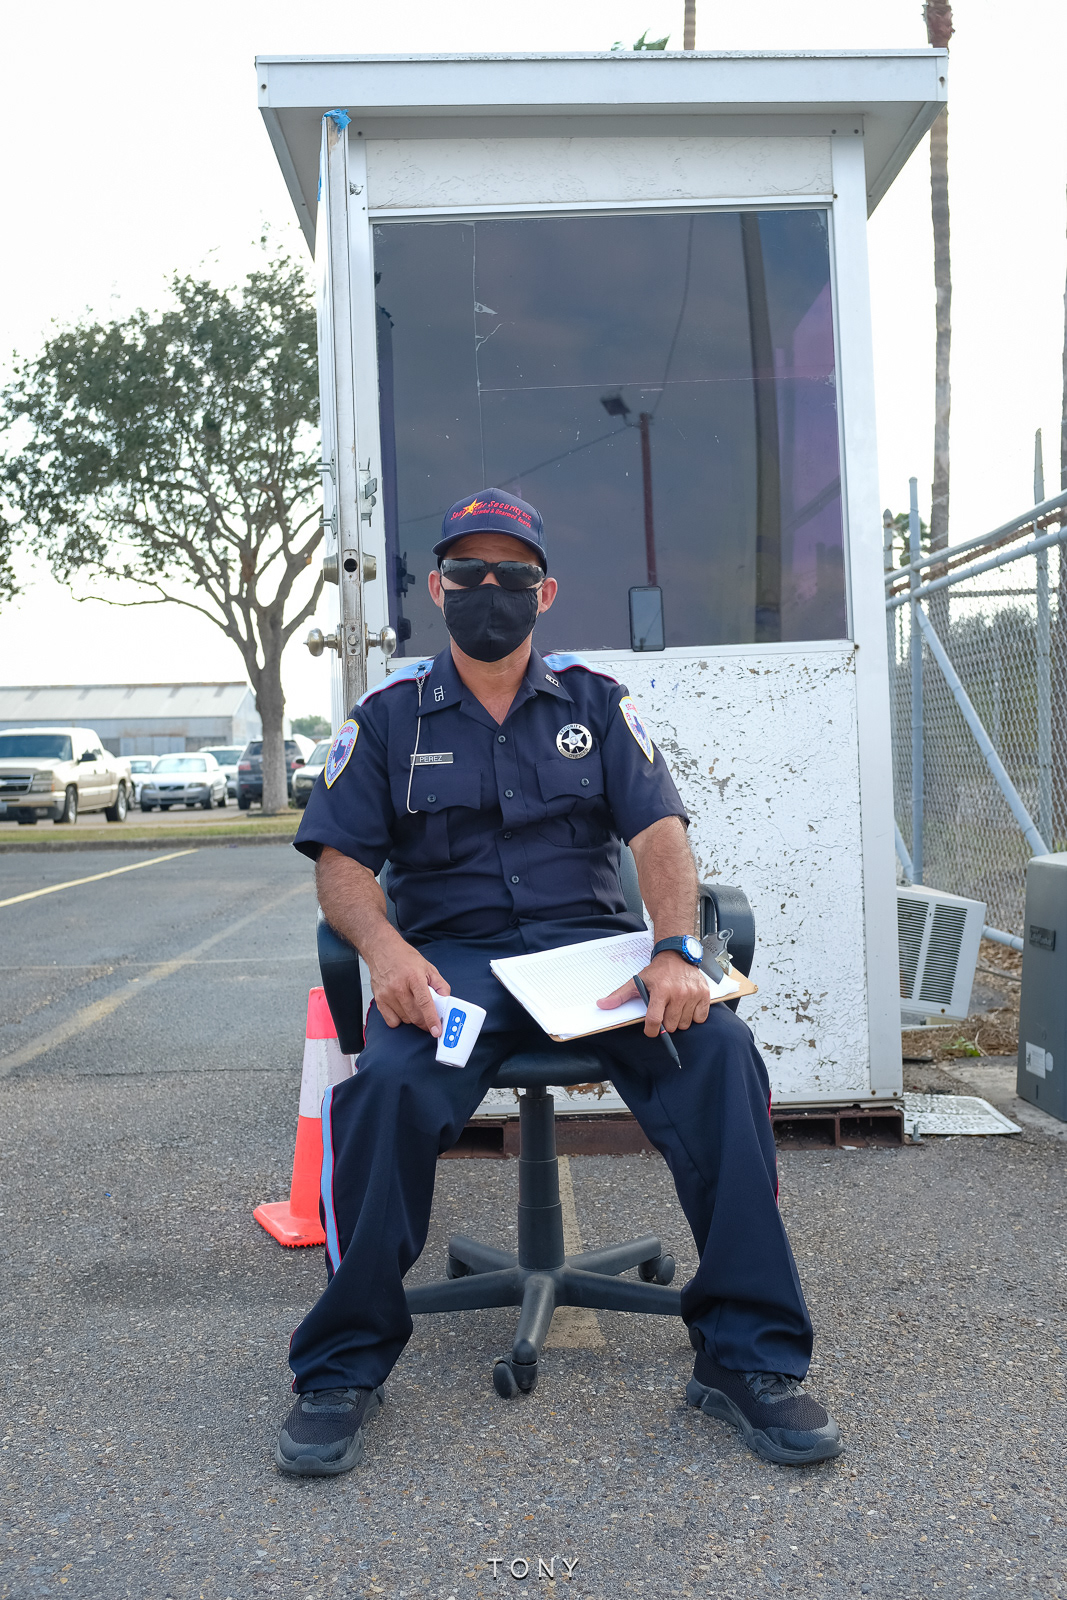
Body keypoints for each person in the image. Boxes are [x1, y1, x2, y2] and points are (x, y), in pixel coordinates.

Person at [276, 487, 842, 1477]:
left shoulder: (594, 703)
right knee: (388, 1089)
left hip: (594, 956)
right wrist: (385, 952)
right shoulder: (388, 717)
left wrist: (673, 948)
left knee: (719, 1053)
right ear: (436, 588)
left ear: (545, 595)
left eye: (511, 576)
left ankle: (745, 1357)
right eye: (467, 574)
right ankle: (343, 1364)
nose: (487, 591)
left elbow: (660, 837)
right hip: (454, 965)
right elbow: (340, 863)